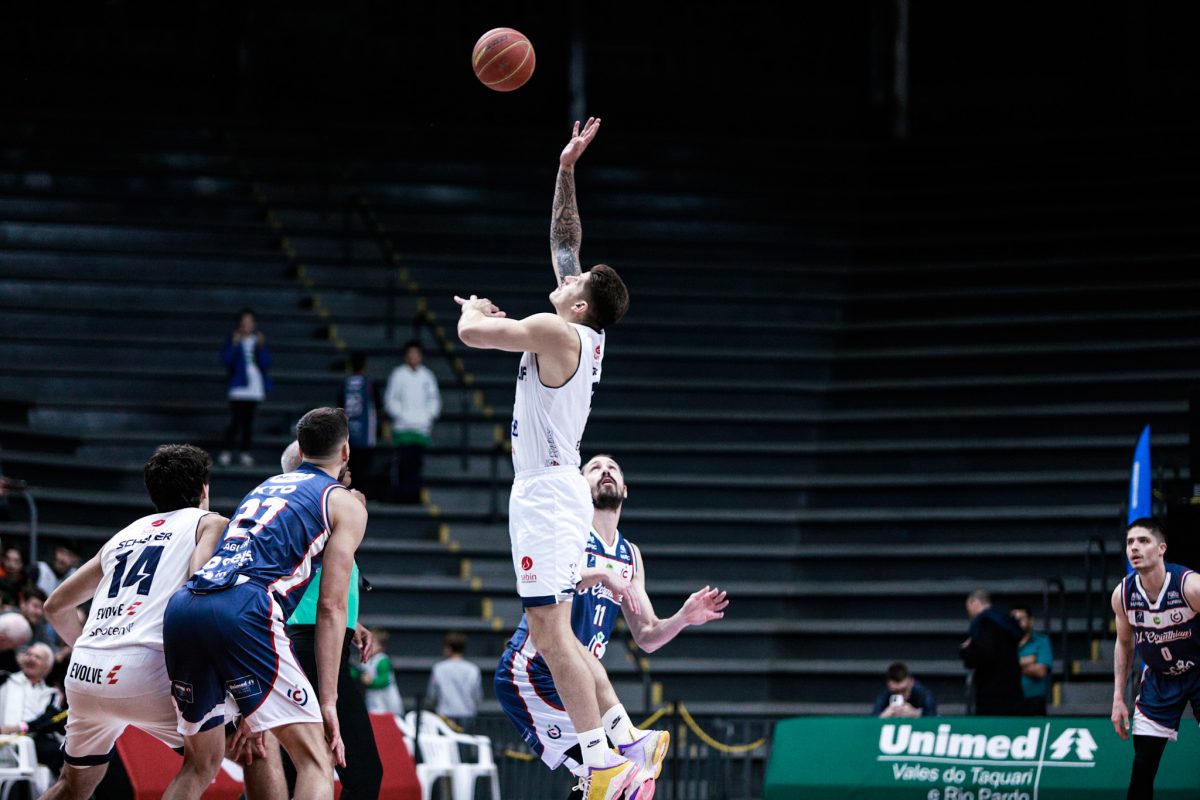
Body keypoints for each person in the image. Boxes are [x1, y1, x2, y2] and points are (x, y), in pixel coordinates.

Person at [456, 117, 643, 800]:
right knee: (557, 631)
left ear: (581, 302)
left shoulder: (554, 331)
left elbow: (473, 335)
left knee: (548, 631)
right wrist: (566, 168)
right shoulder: (582, 332)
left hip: (544, 492)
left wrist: (473, 310)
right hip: (558, 487)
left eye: (575, 280)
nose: (564, 275)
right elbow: (567, 243)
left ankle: (600, 759)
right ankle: (622, 740)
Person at [161, 407, 367, 800]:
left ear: (301, 450)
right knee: (316, 759)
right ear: (345, 451)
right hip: (246, 608)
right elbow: (330, 606)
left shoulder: (264, 487)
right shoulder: (344, 503)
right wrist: (328, 701)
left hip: (186, 605)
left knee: (198, 765)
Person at [495, 454, 727, 798]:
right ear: (580, 487)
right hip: (535, 670)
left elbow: (647, 635)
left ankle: (622, 761)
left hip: (579, 683)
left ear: (625, 489)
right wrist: (602, 575)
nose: (605, 471)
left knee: (608, 779)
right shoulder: (570, 533)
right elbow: (546, 584)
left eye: (612, 468)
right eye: (595, 468)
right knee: (611, 772)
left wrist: (683, 618)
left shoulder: (630, 555)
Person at [34, 444, 228, 800]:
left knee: (72, 786)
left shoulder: (125, 534)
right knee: (210, 760)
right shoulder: (211, 523)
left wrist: (95, 650)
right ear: (204, 489)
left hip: (86, 671)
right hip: (148, 669)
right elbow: (200, 590)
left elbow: (55, 606)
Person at [257, 439, 384, 800]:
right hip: (314, 645)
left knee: (293, 767)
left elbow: (321, 582)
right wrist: (352, 506)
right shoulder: (328, 507)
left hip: (305, 636)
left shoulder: (300, 510)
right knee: (362, 772)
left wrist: (351, 623)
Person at [1111, 517, 1200, 800]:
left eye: (1143, 541)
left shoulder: (1190, 586)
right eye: (1130, 542)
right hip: (1160, 679)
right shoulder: (1123, 595)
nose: (1134, 548)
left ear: (1162, 548)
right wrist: (1118, 697)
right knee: (1142, 767)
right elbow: (1124, 643)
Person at [0, 642, 66, 787]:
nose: (31, 658)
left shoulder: (52, 694)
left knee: (61, 751)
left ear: (47, 667)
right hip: (3, 738)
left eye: (37, 657)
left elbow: (48, 721)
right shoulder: (5, 680)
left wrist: (20, 727)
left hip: (33, 740)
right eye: (28, 654)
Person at [383, 340, 441, 504]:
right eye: (411, 354)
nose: (414, 357)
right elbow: (390, 400)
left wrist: (427, 416)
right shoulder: (398, 374)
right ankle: (401, 496)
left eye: (416, 354)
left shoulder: (427, 376)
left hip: (421, 429)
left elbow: (434, 400)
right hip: (402, 428)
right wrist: (402, 415)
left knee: (416, 464)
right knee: (403, 463)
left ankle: (413, 496)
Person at [218, 307, 273, 468]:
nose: (246, 325)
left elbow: (266, 363)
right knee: (236, 420)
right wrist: (234, 344)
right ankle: (226, 451)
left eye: (249, 322)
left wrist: (261, 346)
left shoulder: (258, 341)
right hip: (238, 385)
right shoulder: (233, 340)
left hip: (255, 386)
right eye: (244, 322)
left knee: (248, 422)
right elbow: (227, 360)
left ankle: (244, 452)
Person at [960, 589, 1024, 716]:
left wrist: (966, 650)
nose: (969, 613)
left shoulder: (984, 624)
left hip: (990, 691)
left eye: (968, 607)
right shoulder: (1006, 622)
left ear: (974, 603)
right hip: (1012, 687)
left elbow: (983, 654)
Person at [338, 351, 385, 497]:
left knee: (350, 467)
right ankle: (361, 495)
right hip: (366, 434)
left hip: (349, 434)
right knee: (364, 467)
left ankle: (348, 494)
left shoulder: (345, 383)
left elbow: (339, 407)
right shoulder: (369, 383)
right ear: (365, 365)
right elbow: (379, 406)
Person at [426, 632, 482, 730]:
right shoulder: (473, 669)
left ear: (449, 648)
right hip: (467, 715)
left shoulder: (439, 668)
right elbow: (477, 696)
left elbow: (432, 696)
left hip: (444, 717)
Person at [1011, 605, 1053, 716]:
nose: (1017, 622)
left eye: (1021, 618)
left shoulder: (1042, 641)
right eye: (1014, 619)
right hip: (1008, 700)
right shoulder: (1004, 641)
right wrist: (1027, 661)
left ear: (1031, 620)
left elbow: (1040, 672)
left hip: (1034, 700)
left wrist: (1011, 665)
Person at [355, 627, 403, 715]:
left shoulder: (382, 660)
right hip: (373, 699)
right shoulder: (365, 659)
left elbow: (384, 680)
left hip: (386, 699)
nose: (368, 645)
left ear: (382, 647)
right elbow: (357, 673)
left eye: (372, 643)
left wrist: (372, 682)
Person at [872, 661, 937, 718]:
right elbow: (873, 720)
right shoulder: (884, 695)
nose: (900, 695)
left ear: (911, 683)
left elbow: (932, 718)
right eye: (895, 692)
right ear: (888, 686)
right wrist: (883, 716)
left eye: (903, 690)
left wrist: (916, 714)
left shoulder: (924, 695)